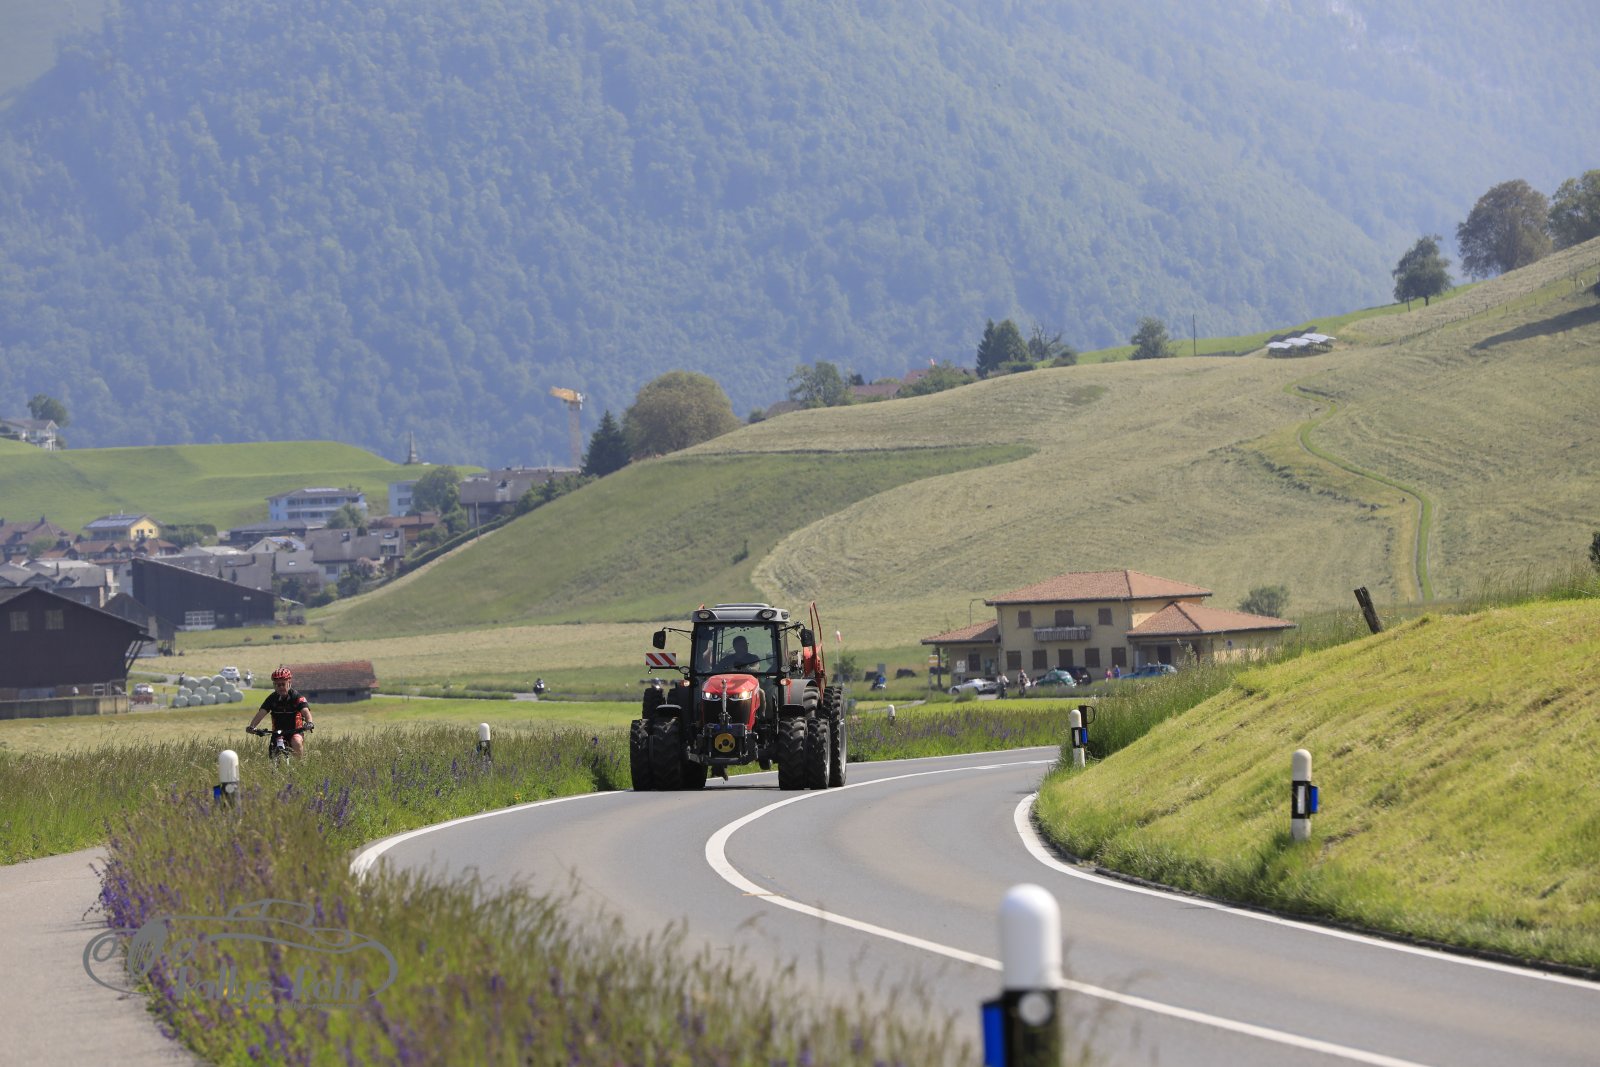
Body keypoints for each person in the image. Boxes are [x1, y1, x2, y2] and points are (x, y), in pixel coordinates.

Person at [247, 666, 314, 757]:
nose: (281, 687)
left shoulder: (296, 697)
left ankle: (299, 764)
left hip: (295, 731)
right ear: (274, 685)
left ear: (289, 683)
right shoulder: (272, 698)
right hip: (277, 732)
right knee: (273, 754)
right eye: (278, 685)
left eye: (283, 684)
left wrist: (309, 723)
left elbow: (306, 711)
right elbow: (261, 713)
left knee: (296, 741)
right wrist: (252, 727)